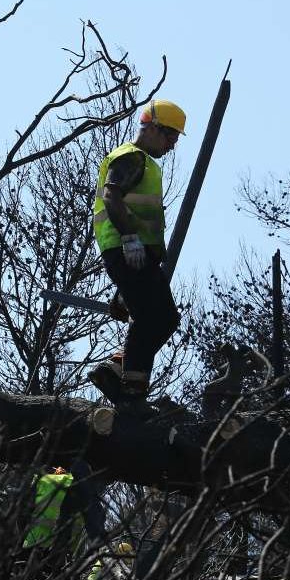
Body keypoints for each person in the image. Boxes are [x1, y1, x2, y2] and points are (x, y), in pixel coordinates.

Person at [88, 99, 186, 414]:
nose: (172, 145)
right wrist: (130, 239)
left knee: (165, 318)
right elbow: (111, 195)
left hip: (137, 255)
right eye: (170, 136)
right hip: (127, 249)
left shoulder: (145, 162)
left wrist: (123, 289)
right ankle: (131, 390)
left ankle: (118, 369)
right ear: (154, 128)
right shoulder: (130, 157)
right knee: (152, 318)